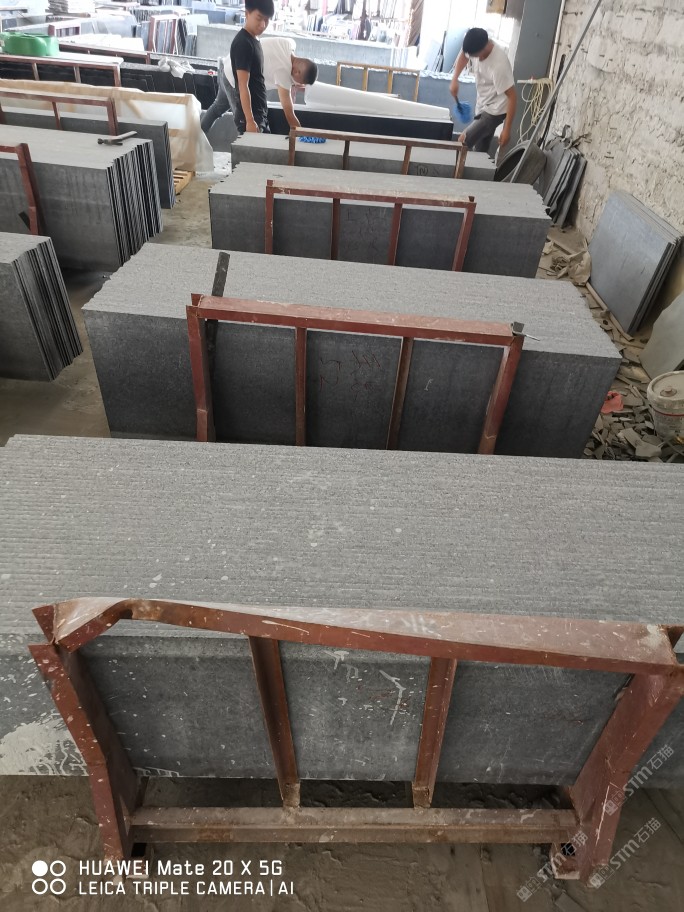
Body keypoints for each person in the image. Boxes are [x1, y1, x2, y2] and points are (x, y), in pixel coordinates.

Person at [201, 33, 318, 135]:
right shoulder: (282, 72)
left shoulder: (289, 43)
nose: (297, 84)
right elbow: (289, 113)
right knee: (246, 127)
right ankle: (244, 154)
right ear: (297, 72)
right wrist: (303, 135)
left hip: (227, 64)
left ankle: (196, 137)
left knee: (217, 108)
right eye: (300, 82)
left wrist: (293, 84)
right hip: (234, 79)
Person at [450, 27, 517, 156]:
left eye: (475, 55)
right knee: (480, 152)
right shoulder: (476, 45)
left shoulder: (499, 65)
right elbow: (464, 55)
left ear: (484, 48)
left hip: (496, 110)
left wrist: (507, 129)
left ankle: (453, 168)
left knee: (463, 141)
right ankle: (478, 167)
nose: (473, 58)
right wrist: (455, 79)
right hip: (482, 104)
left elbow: (512, 97)